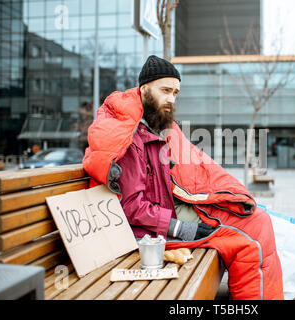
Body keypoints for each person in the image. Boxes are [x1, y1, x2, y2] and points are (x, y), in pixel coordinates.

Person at [83, 55, 283, 300]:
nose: (171, 99)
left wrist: (221, 193)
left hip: (171, 207)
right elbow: (130, 206)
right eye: (165, 90)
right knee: (251, 237)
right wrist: (180, 228)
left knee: (256, 219)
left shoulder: (155, 125)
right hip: (146, 231)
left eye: (176, 92)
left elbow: (193, 165)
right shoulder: (128, 136)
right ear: (145, 88)